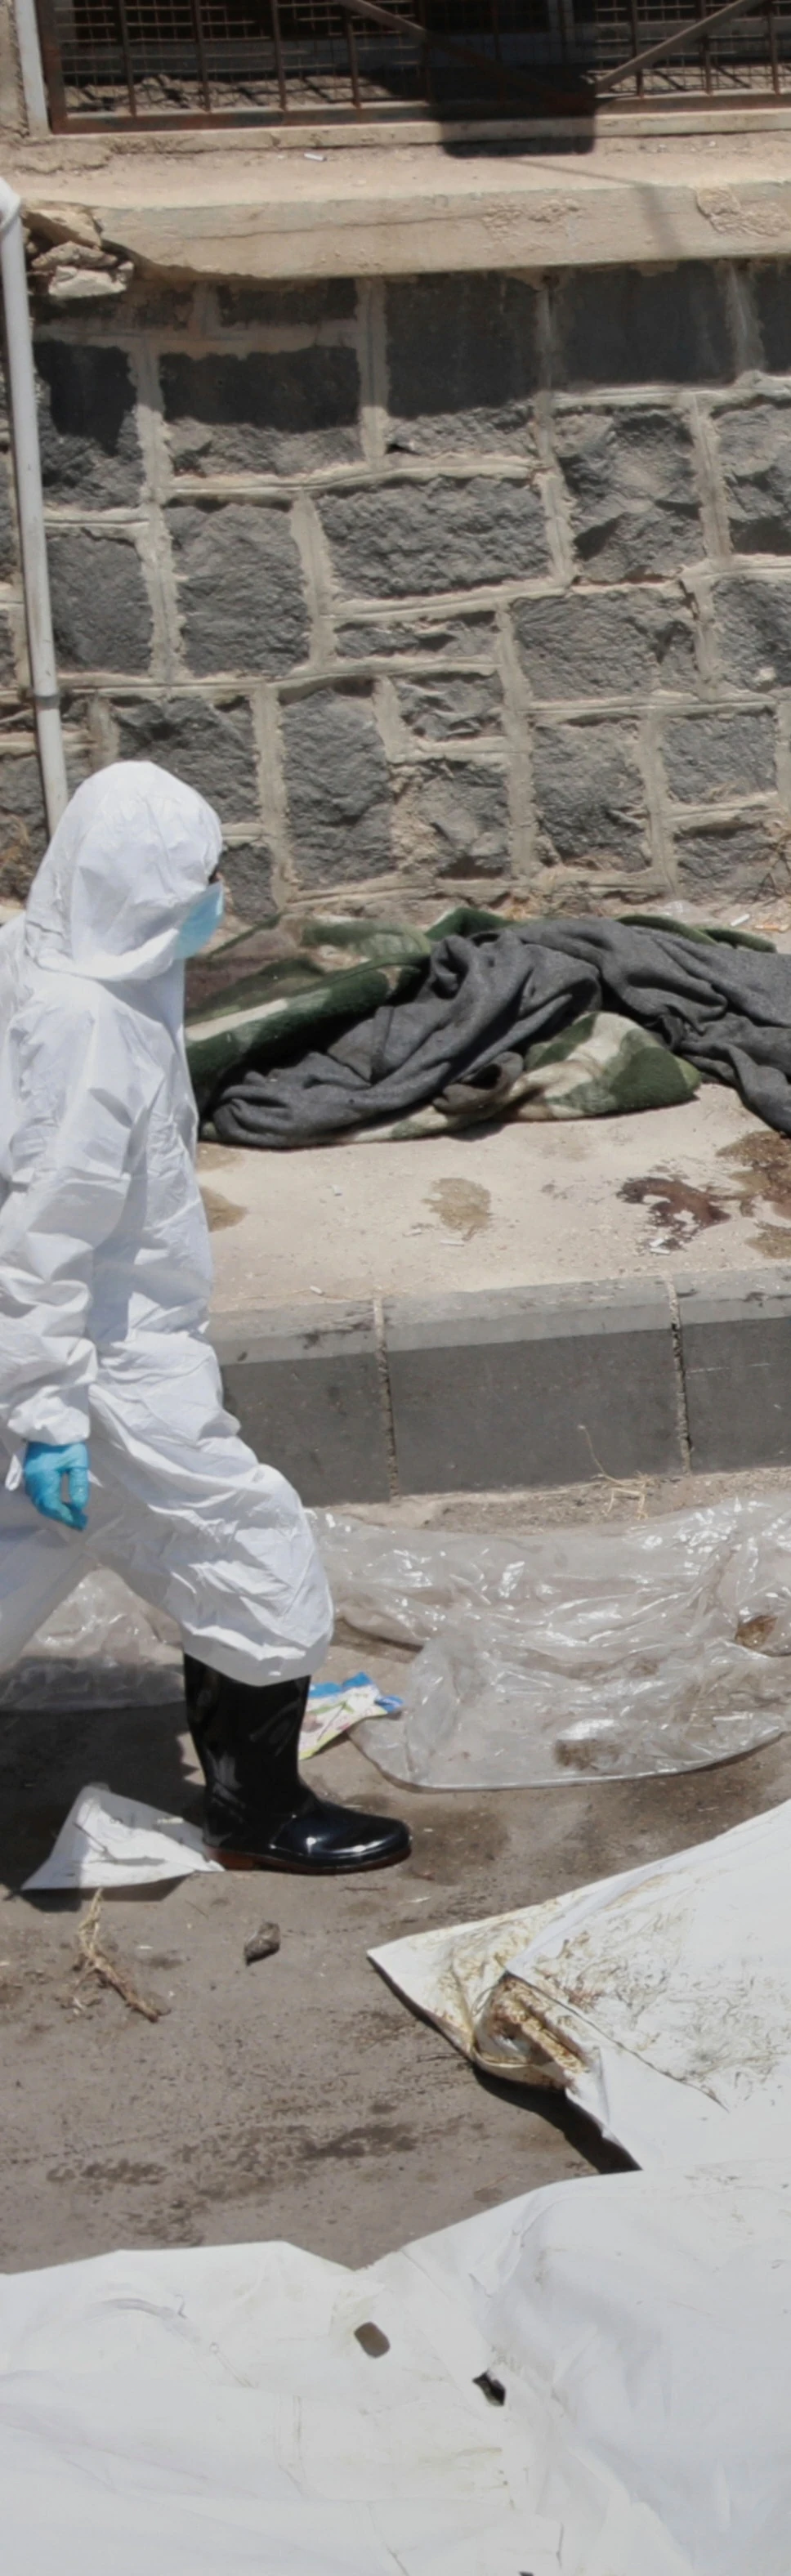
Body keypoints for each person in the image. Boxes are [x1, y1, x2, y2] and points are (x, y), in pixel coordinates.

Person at [0, 764, 407, 1872]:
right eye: (197, 880)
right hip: (114, 1360)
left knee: (27, 1550)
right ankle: (263, 1812)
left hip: (83, 1352)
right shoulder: (89, 1025)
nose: (215, 897)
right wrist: (47, 1412)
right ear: (139, 892)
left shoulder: (54, 957)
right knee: (250, 1548)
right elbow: (45, 1233)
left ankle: (255, 1799)